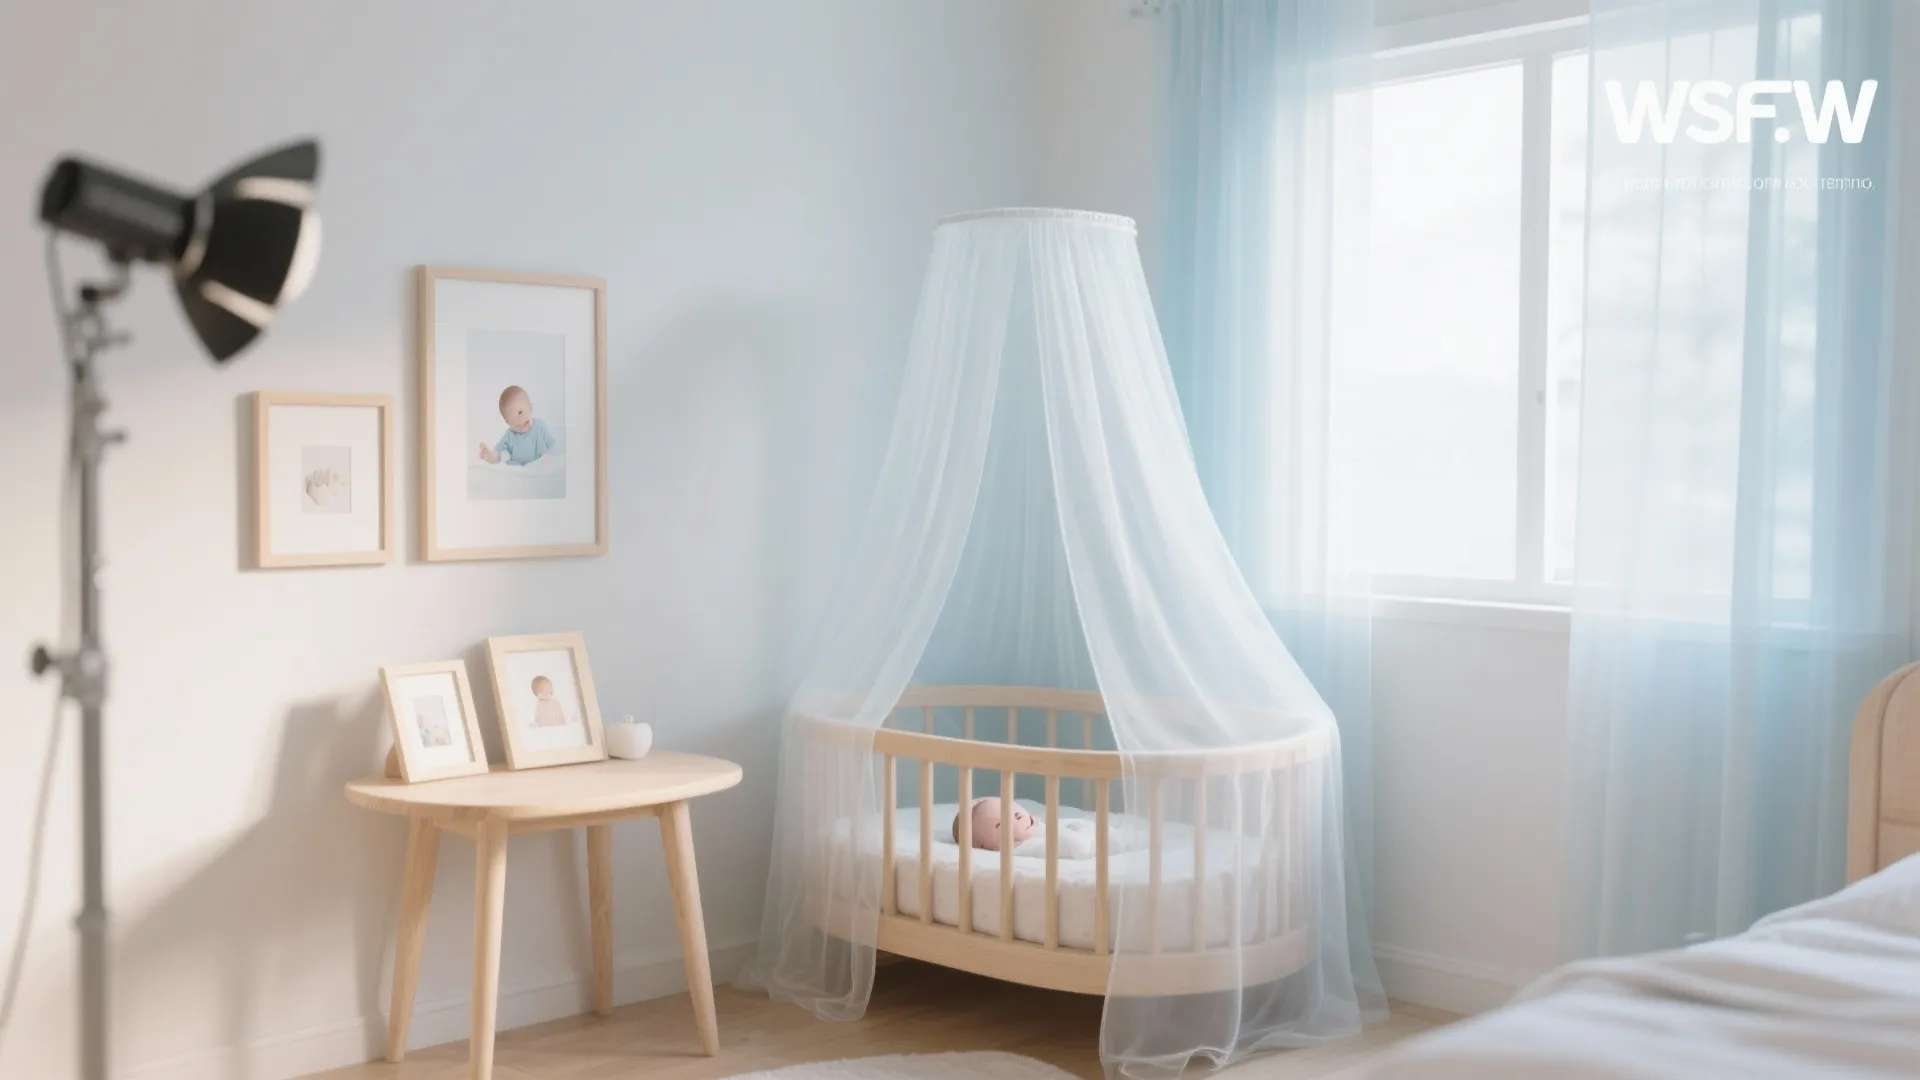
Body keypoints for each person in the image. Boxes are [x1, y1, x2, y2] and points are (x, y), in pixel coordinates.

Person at [478, 384, 557, 465]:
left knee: (547, 458)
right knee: (503, 457)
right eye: (512, 419)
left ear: (530, 407)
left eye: (520, 412)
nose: (519, 421)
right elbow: (500, 450)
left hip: (538, 466)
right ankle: (489, 457)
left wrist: (549, 456)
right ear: (507, 423)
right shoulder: (509, 435)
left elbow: (552, 445)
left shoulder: (539, 426)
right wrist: (493, 455)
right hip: (518, 470)